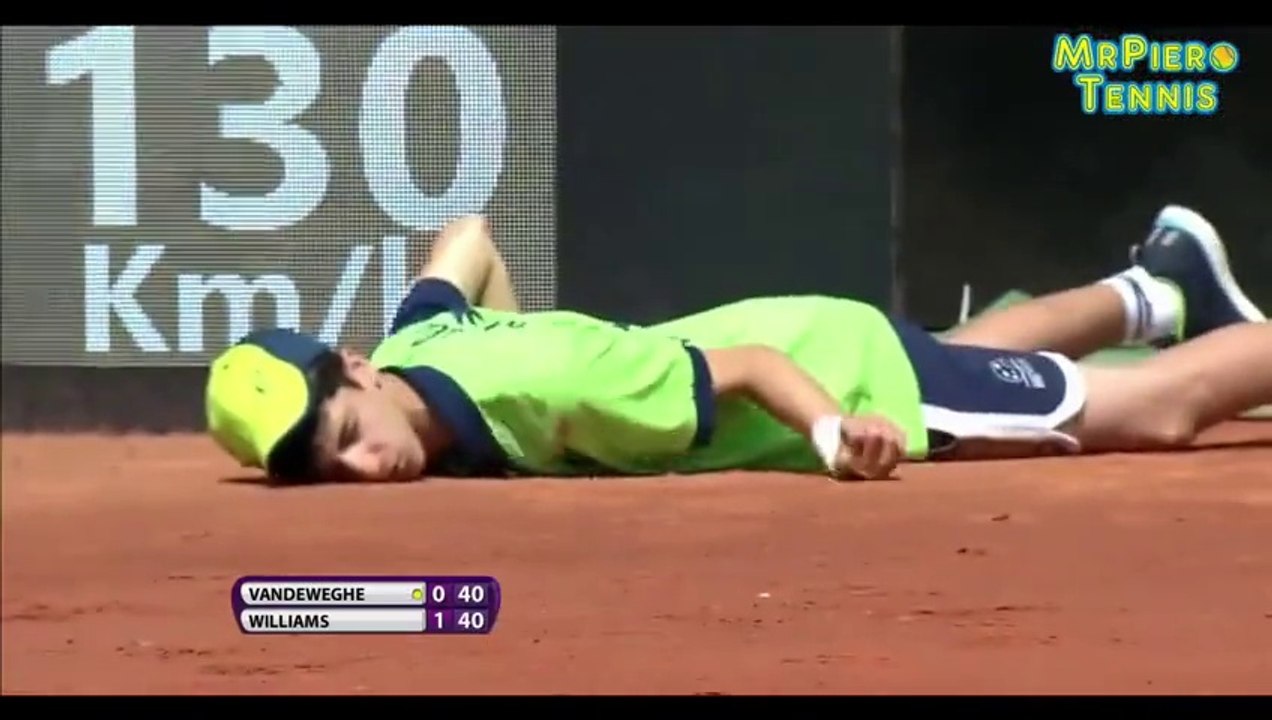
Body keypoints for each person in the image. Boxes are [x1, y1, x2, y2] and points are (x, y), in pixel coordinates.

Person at [204, 206, 1270, 484]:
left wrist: (830, 433)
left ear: (355, 368)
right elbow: (468, 240)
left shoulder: (565, 392)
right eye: (329, 468)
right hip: (817, 329)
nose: (363, 465)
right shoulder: (417, 341)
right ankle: (1158, 287)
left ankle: (1181, 326)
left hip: (842, 371)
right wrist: (523, 322)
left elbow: (754, 372)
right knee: (960, 349)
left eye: (347, 431)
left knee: (1152, 413)